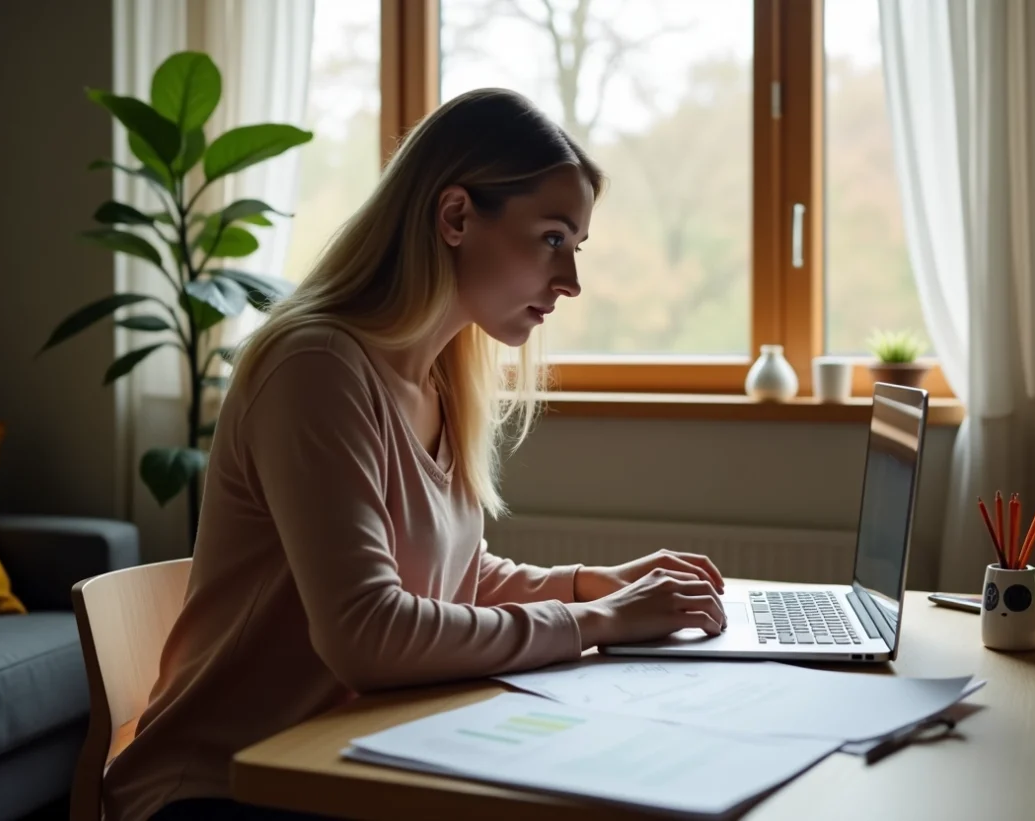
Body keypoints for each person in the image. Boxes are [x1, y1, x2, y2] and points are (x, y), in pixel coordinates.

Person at [102, 87, 728, 821]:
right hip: (225, 786)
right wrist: (598, 622)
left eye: (576, 247)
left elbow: (454, 576)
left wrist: (590, 584)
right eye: (553, 238)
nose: (571, 283)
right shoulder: (315, 367)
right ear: (456, 215)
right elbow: (368, 633)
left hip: (357, 757)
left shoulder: (441, 374)